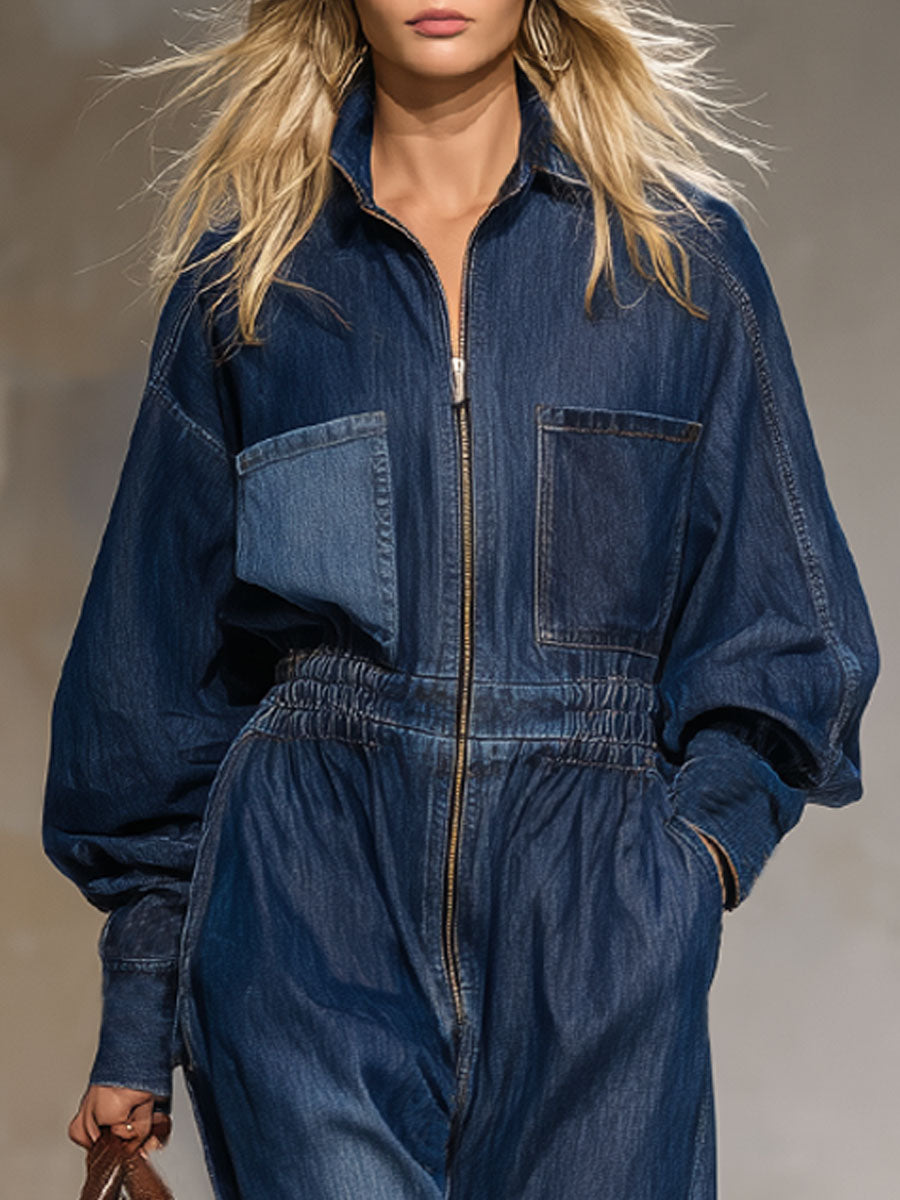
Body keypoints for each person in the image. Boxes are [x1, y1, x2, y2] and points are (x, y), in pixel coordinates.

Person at [43, 2, 880, 1197]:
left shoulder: (678, 262)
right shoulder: (254, 283)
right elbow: (150, 666)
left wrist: (687, 869)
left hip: (595, 922)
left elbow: (788, 632)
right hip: (303, 916)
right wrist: (138, 1011)